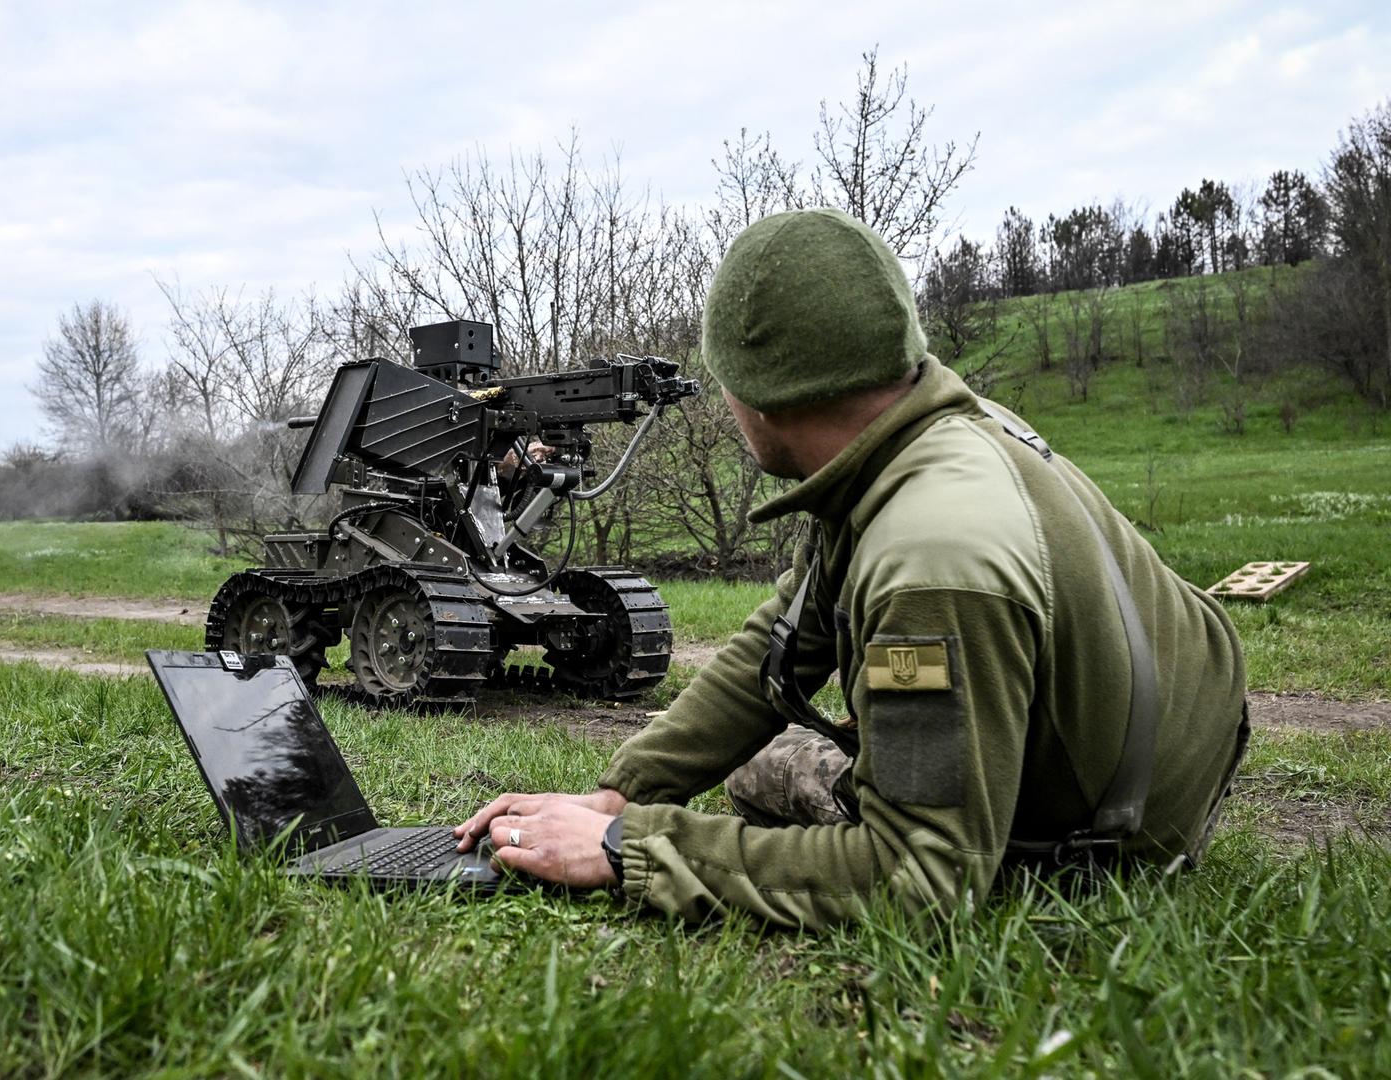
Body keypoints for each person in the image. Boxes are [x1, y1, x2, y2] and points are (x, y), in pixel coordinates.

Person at [454, 208, 1249, 928]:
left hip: (1124, 830)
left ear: (759, 399)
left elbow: (919, 875)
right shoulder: (913, 444)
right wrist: (622, 792)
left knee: (773, 780)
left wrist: (628, 845)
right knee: (763, 770)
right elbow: (775, 648)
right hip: (1179, 739)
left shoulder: (929, 559)